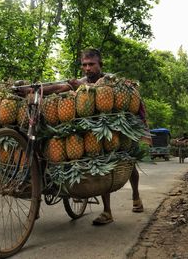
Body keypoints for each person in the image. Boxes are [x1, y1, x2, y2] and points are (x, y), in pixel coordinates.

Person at [42, 48, 145, 225]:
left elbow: (125, 90)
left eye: (91, 64)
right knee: (101, 162)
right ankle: (107, 212)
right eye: (84, 65)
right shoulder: (81, 81)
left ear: (100, 65)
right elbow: (59, 87)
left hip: (116, 128)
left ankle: (136, 194)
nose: (88, 68)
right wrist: (34, 90)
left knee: (130, 163)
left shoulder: (110, 80)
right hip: (93, 129)